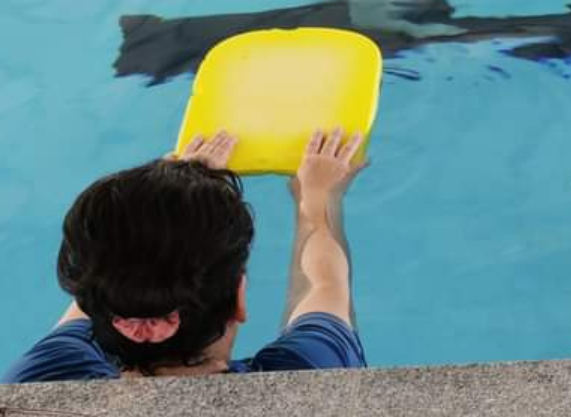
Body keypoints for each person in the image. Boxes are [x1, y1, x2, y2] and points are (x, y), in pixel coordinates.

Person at [2, 128, 367, 381]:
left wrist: (163, 193)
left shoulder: (44, 377)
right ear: (239, 299)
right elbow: (323, 287)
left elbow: (101, 283)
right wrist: (318, 197)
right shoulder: (311, 372)